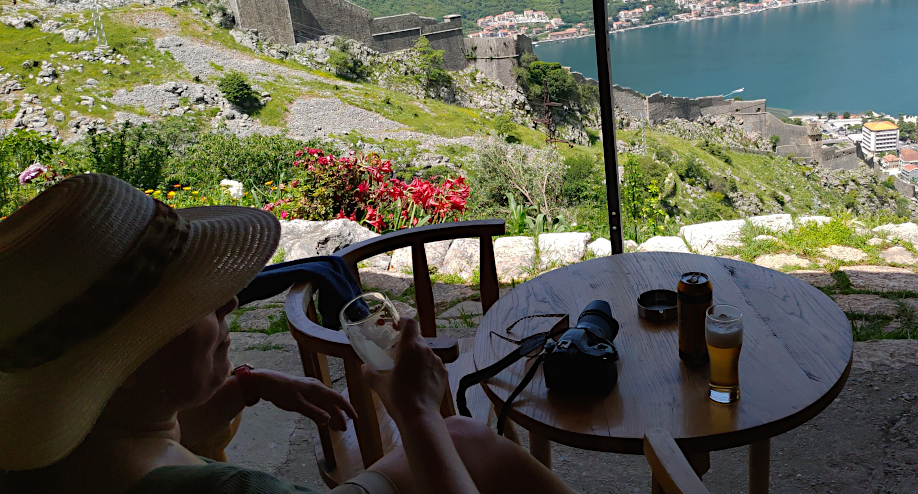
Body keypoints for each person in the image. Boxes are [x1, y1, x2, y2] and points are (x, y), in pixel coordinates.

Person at [0, 174, 575, 494]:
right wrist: (416, 412)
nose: (227, 300)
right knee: (454, 434)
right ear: (119, 366)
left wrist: (243, 388)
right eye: (191, 303)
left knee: (466, 436)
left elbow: (158, 445)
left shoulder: (65, 458)